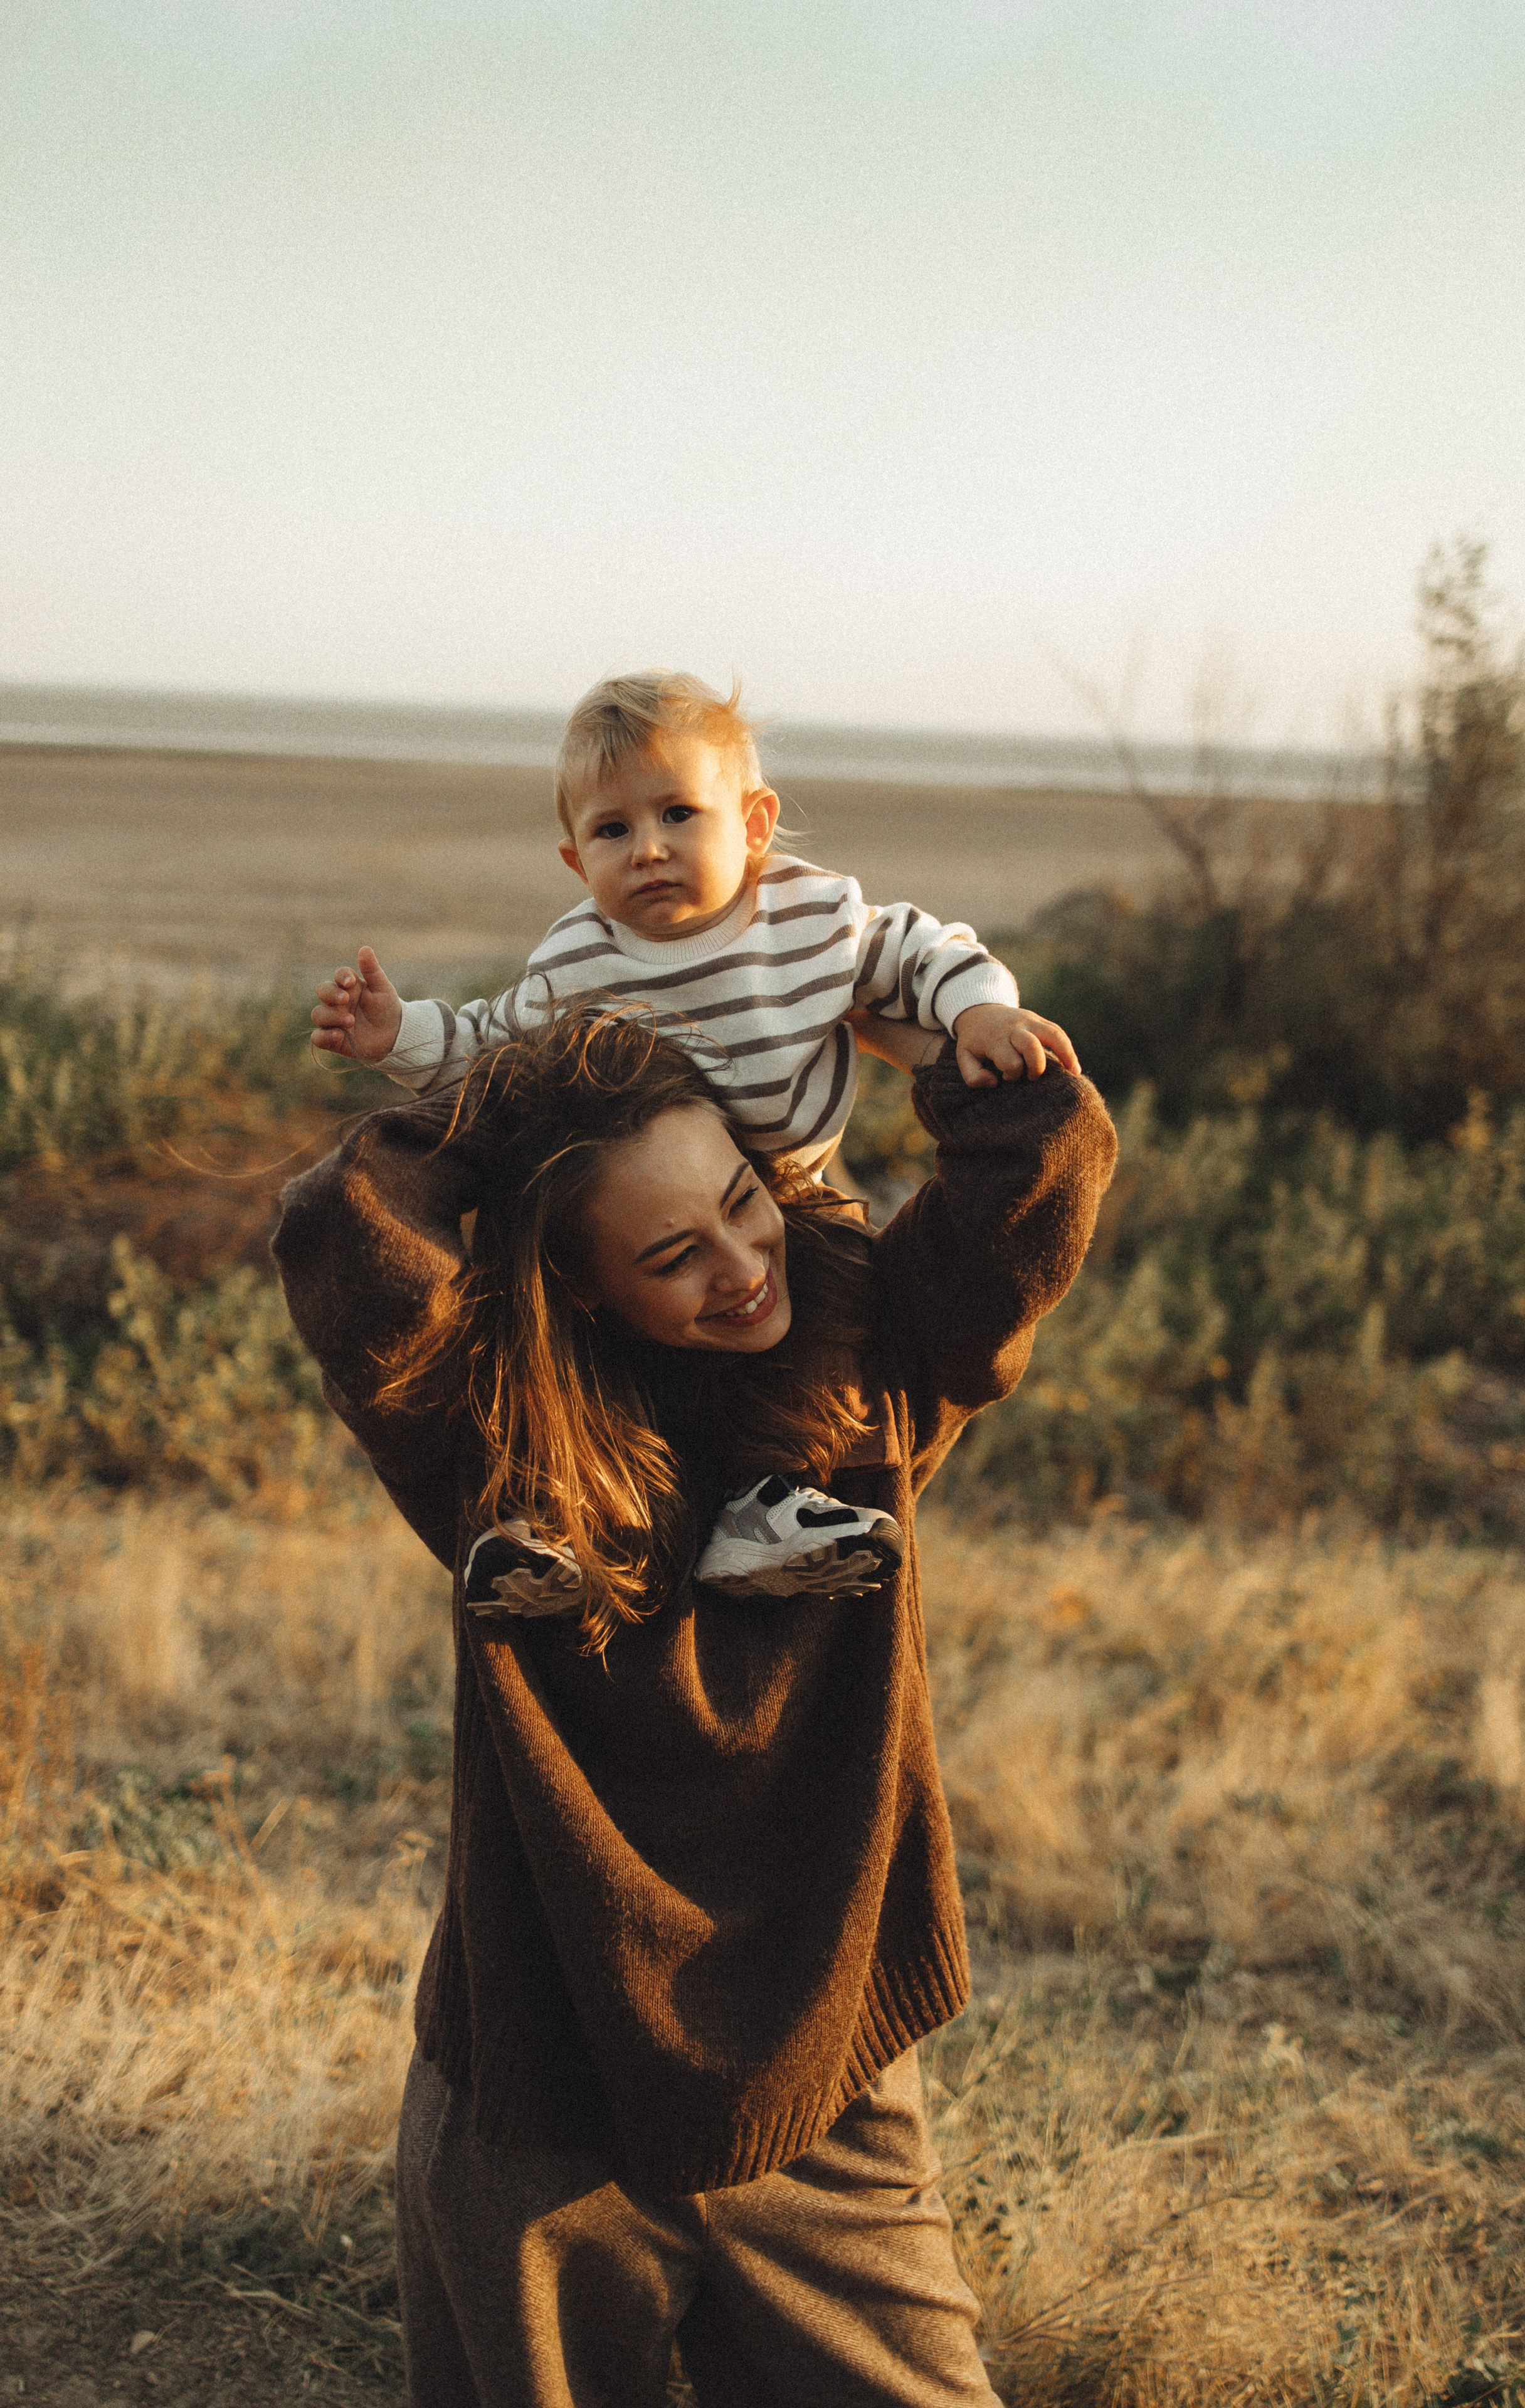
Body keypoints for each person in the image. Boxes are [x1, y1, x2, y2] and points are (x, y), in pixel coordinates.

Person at [272, 1001, 1117, 2408]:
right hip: (539, 2116)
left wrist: (940, 1037)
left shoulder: (872, 1360)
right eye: (672, 1252)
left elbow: (1036, 1174)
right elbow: (350, 1233)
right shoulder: (491, 1441)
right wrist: (508, 1094)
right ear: (580, 1287)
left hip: (823, 2086)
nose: (740, 1268)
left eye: (742, 1199)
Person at [307, 673, 1077, 1612]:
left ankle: (777, 1502)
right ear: (573, 860)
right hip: (635, 1209)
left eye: (680, 813)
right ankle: (558, 1529)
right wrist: (401, 1038)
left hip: (791, 1193)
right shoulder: (578, 957)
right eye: (613, 831)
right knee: (585, 1357)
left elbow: (921, 954)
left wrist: (979, 1014)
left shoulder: (810, 918)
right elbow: (495, 1046)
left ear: (754, 824)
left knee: (828, 1325)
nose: (651, 849)